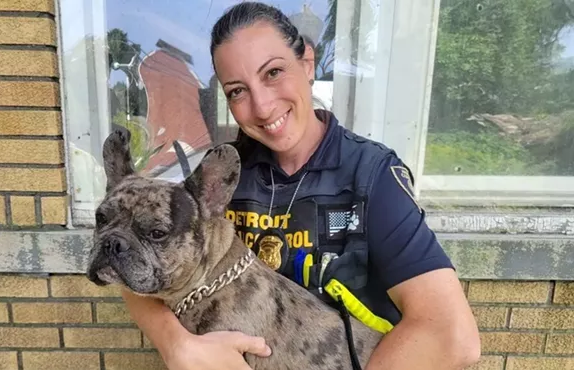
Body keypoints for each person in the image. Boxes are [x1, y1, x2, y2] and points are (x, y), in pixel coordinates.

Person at [121, 2, 481, 369]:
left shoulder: (370, 175)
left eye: (273, 72)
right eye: (237, 91)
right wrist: (177, 345)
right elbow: (136, 254)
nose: (261, 106)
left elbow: (451, 337)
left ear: (307, 63)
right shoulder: (223, 176)